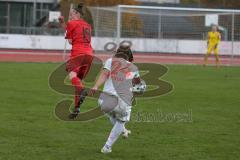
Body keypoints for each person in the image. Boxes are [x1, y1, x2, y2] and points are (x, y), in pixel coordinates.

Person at [89, 45, 141, 154]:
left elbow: (104, 74)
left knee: (112, 115)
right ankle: (107, 147)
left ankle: (123, 130)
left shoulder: (110, 61)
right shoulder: (134, 68)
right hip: (121, 102)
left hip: (104, 100)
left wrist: (96, 86)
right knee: (121, 119)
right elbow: (138, 87)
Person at [58, 3, 93, 119]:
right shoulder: (88, 26)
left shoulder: (72, 23)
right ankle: (77, 108)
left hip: (78, 53)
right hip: (89, 55)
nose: (71, 16)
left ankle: (82, 91)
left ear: (78, 14)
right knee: (77, 82)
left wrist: (62, 22)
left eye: (72, 14)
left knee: (72, 77)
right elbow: (73, 39)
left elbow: (70, 42)